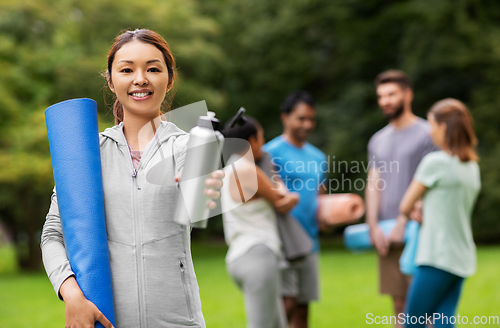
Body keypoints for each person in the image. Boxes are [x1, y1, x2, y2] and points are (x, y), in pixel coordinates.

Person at [40, 29, 224, 328]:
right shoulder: (87, 155)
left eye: (153, 68)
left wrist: (208, 183)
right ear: (111, 81)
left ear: (170, 78)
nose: (141, 79)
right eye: (127, 69)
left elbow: (207, 186)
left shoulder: (189, 145)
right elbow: (53, 235)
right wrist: (71, 295)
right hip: (106, 321)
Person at [399, 99, 480, 327]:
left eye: (432, 126)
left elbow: (405, 206)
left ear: (443, 128)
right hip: (461, 259)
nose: (430, 132)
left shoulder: (435, 162)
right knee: (444, 322)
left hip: (437, 257)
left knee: (413, 323)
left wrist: (415, 207)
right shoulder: (471, 166)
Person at [365, 70, 437, 327]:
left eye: (391, 94)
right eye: (381, 96)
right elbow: (373, 183)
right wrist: (372, 225)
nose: (385, 101)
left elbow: (432, 182)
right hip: (387, 233)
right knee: (398, 304)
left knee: (424, 306)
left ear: (408, 94)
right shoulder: (377, 140)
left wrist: (404, 220)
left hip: (421, 231)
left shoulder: (428, 133)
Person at [221, 115, 298, 328]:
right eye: (262, 138)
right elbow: (282, 199)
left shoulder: (228, 170)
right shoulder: (248, 169)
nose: (263, 146)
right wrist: (292, 193)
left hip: (239, 256)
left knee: (277, 324)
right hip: (258, 255)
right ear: (252, 141)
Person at [263, 91, 326, 328]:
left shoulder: (318, 157)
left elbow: (320, 193)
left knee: (303, 306)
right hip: (282, 239)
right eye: (301, 118)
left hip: (310, 241)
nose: (307, 124)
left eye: (311, 119)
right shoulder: (270, 152)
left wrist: (328, 215)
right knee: (285, 305)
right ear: (285, 118)